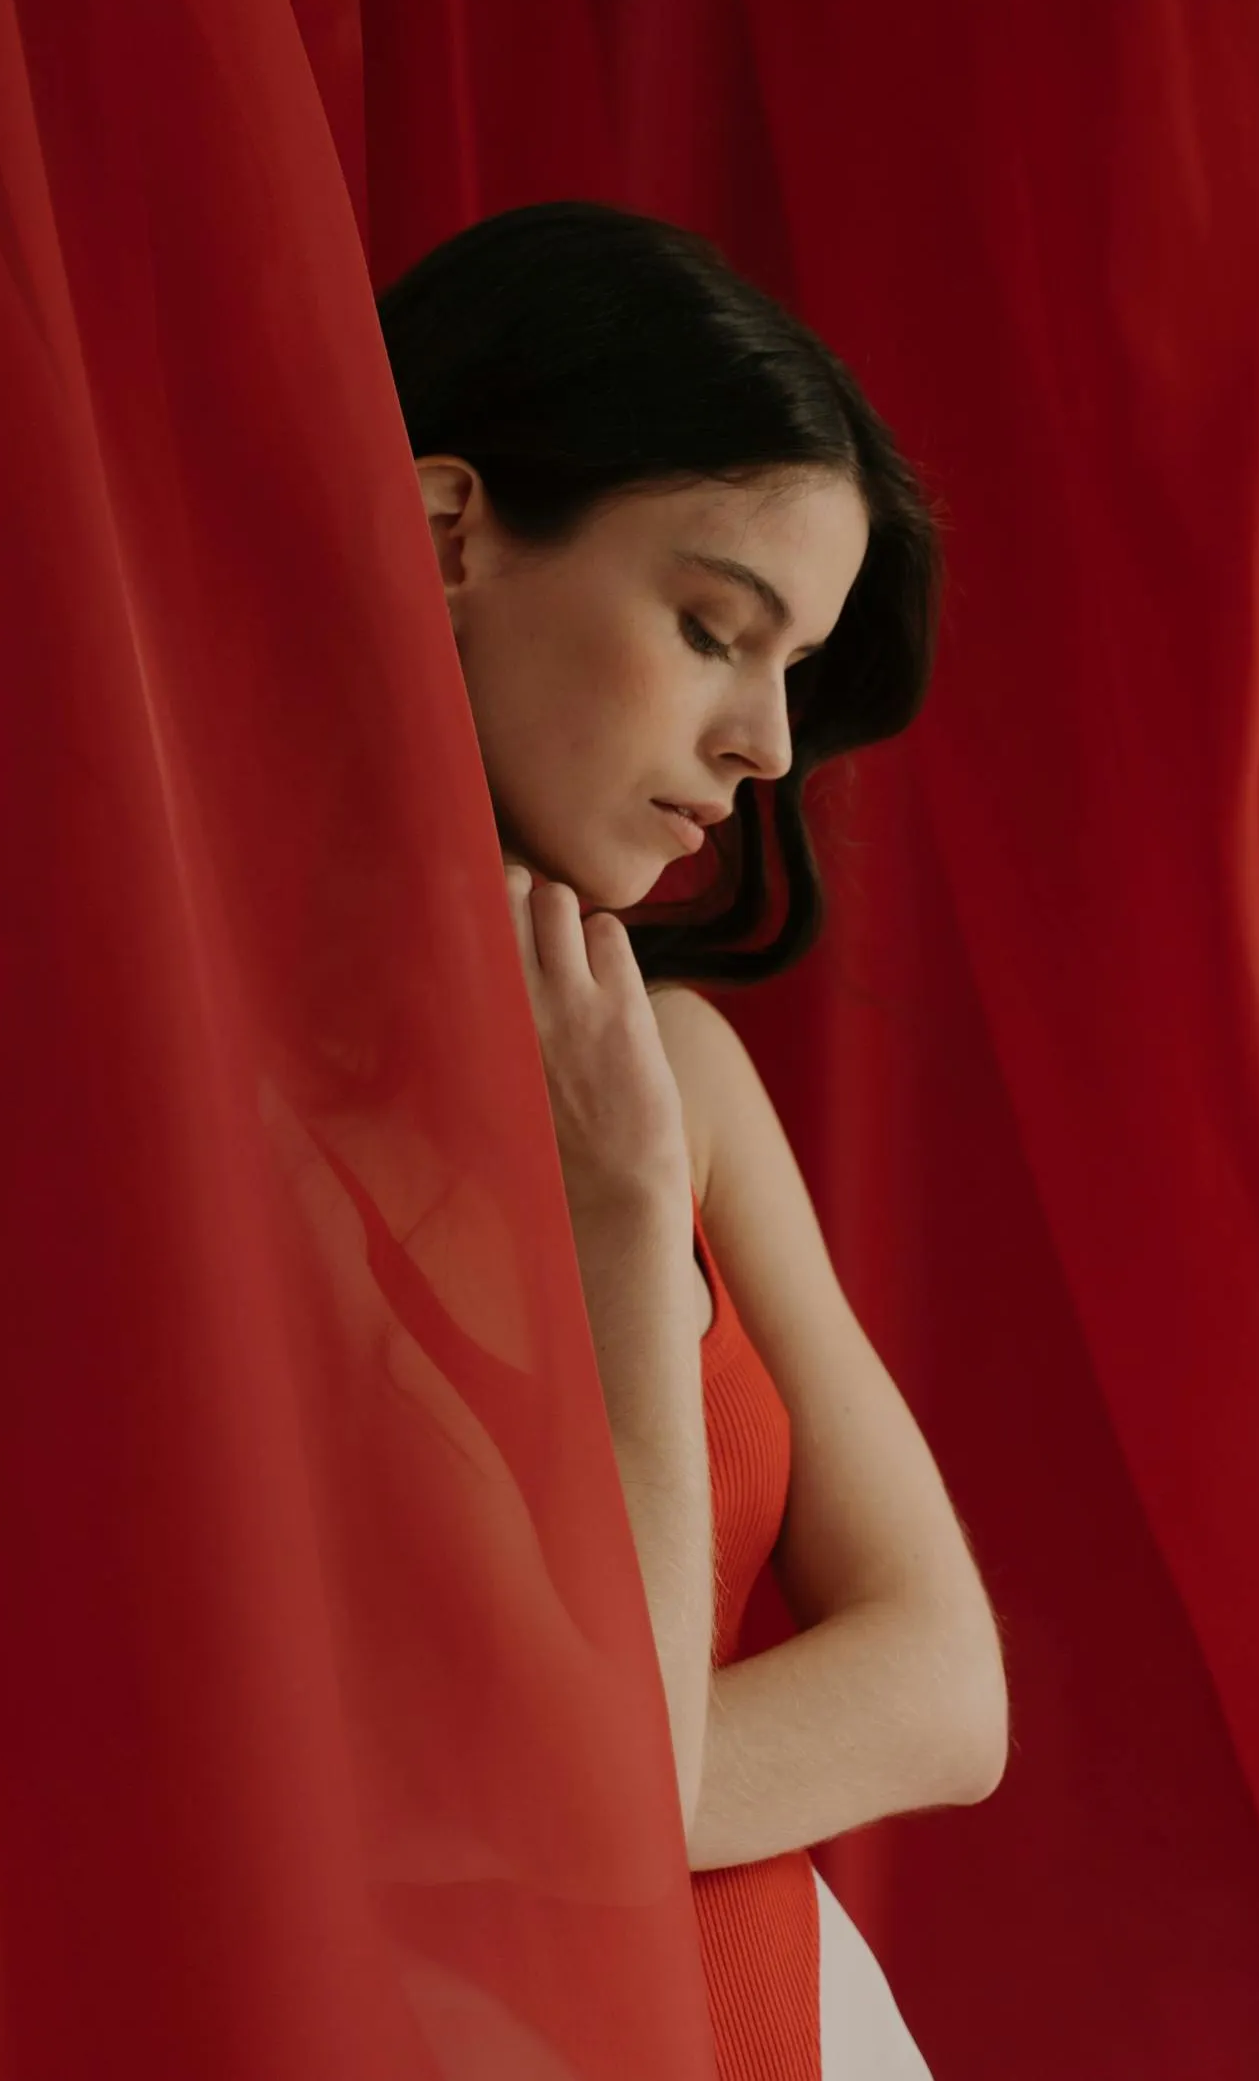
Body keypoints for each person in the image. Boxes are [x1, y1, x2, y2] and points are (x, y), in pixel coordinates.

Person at [380, 202, 1008, 2079]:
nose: (768, 746)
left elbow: (949, 1690)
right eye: (715, 630)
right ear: (446, 534)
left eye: (797, 669)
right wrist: (623, 1225)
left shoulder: (676, 1073)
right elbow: (597, 1776)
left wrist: (576, 1814)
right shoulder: (224, 1132)